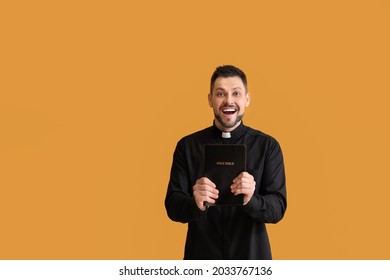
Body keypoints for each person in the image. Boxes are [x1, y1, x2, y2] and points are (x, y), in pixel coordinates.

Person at [165, 65, 287, 260]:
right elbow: (172, 206)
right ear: (210, 100)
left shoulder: (268, 146)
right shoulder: (187, 146)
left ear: (247, 99)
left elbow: (278, 208)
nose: (228, 101)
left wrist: (251, 199)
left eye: (236, 93)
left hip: (252, 260)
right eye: (220, 93)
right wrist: (194, 202)